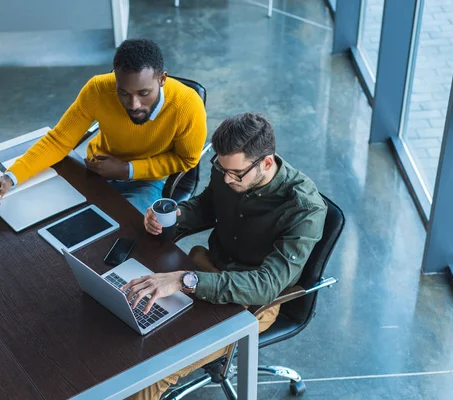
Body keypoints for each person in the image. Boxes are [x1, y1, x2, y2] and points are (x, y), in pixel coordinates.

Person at [122, 112, 327, 400]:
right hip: (207, 267)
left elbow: (267, 285)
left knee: (153, 377)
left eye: (236, 174)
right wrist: (177, 216)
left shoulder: (304, 208)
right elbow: (207, 205)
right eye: (222, 168)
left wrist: (185, 279)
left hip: (252, 301)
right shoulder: (229, 167)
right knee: (129, 328)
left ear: (266, 162)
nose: (227, 178)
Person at [0, 39, 207, 213]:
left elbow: (187, 160)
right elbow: (59, 140)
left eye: (144, 93)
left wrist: (128, 169)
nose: (133, 104)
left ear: (162, 79)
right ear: (115, 80)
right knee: (49, 219)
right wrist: (11, 177)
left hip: (145, 181)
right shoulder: (98, 89)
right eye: (123, 93)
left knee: (125, 235)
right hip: (96, 169)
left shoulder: (187, 105)